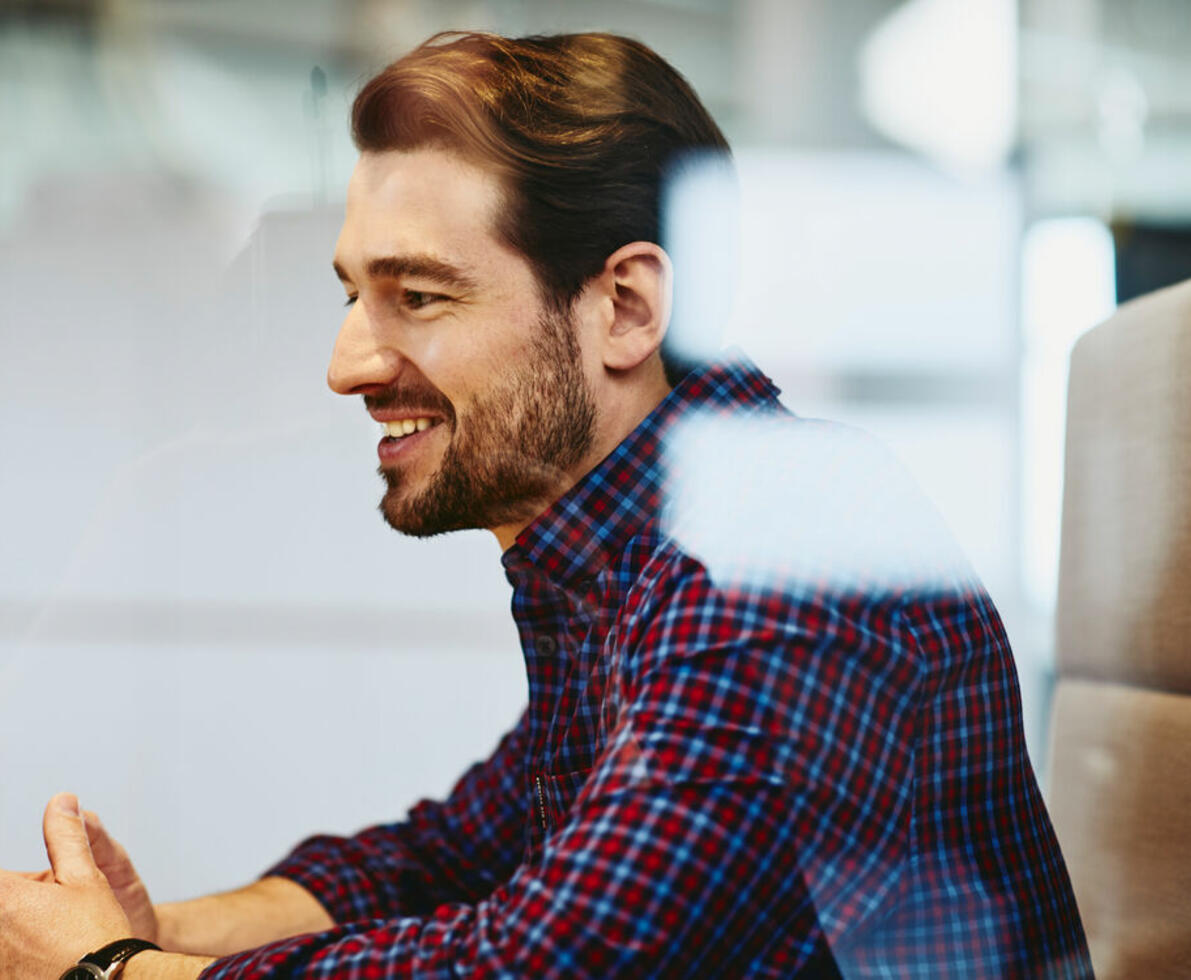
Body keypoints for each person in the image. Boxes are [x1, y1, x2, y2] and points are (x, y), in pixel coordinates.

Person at [0, 31, 1092, 979]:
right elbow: (456, 851)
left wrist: (111, 968)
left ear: (623, 308)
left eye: (415, 295)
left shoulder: (775, 556)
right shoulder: (636, 551)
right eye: (352, 293)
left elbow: (545, 961)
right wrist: (162, 931)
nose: (344, 364)